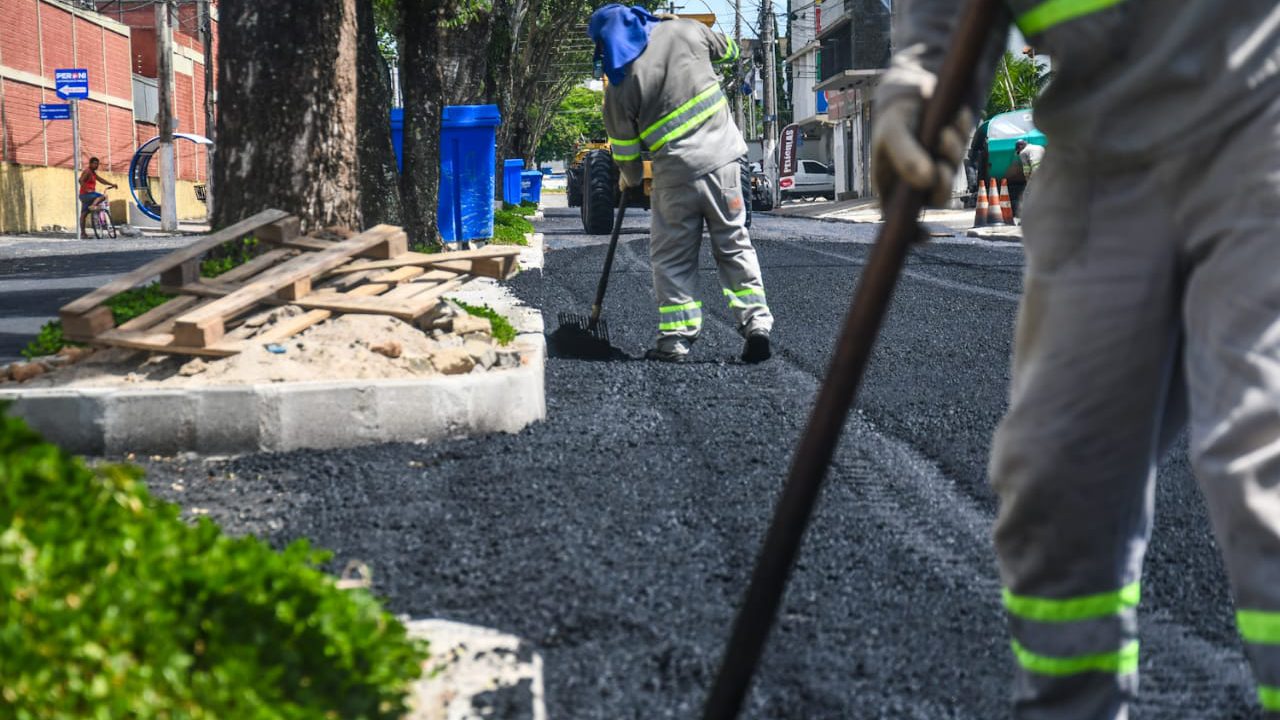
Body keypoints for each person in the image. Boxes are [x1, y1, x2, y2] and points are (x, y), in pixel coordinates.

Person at [872, 1, 1280, 717]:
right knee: (1056, 479)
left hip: (1260, 109)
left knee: (1261, 459)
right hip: (1096, 148)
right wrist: (917, 93)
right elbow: (945, 19)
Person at [588, 4, 774, 363]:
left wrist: (628, 178)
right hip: (725, 166)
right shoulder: (687, 31)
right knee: (734, 245)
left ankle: (675, 340)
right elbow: (731, 51)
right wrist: (684, 27)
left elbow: (624, 149)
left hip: (674, 178)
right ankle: (756, 325)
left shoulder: (620, 80)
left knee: (672, 258)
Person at [1003, 139, 1044, 219]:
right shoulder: (1039, 147)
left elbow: (1026, 169)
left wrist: (1027, 180)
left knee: (1027, 194)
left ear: (1021, 146)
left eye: (1018, 149)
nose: (1019, 151)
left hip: (1036, 172)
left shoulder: (1023, 152)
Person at [78, 157, 117, 238]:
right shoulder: (87, 171)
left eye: (97, 164)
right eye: (94, 163)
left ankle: (83, 234)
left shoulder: (93, 173)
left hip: (84, 196)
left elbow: (101, 180)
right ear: (90, 163)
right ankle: (93, 205)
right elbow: (80, 180)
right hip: (87, 194)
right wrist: (86, 189)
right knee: (103, 196)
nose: (96, 165)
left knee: (83, 214)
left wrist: (111, 184)